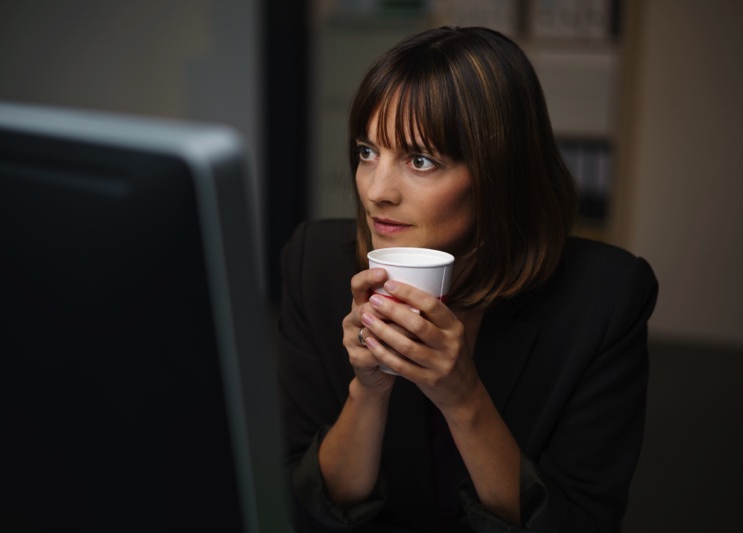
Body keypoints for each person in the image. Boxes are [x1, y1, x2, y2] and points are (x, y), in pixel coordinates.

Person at [276, 26, 658, 533]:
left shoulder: (605, 299)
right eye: (368, 152)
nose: (376, 191)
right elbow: (302, 509)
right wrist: (368, 391)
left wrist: (462, 396)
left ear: (500, 173)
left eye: (420, 160)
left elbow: (580, 521)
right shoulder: (317, 264)